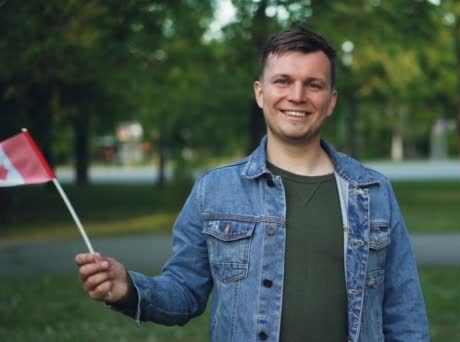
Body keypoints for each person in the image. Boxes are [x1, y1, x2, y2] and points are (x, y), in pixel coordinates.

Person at [76, 27, 429, 342]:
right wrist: (129, 290)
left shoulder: (373, 192)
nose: (297, 95)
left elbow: (405, 316)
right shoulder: (214, 191)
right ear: (260, 93)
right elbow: (184, 293)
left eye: (313, 84)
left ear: (330, 101)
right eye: (283, 81)